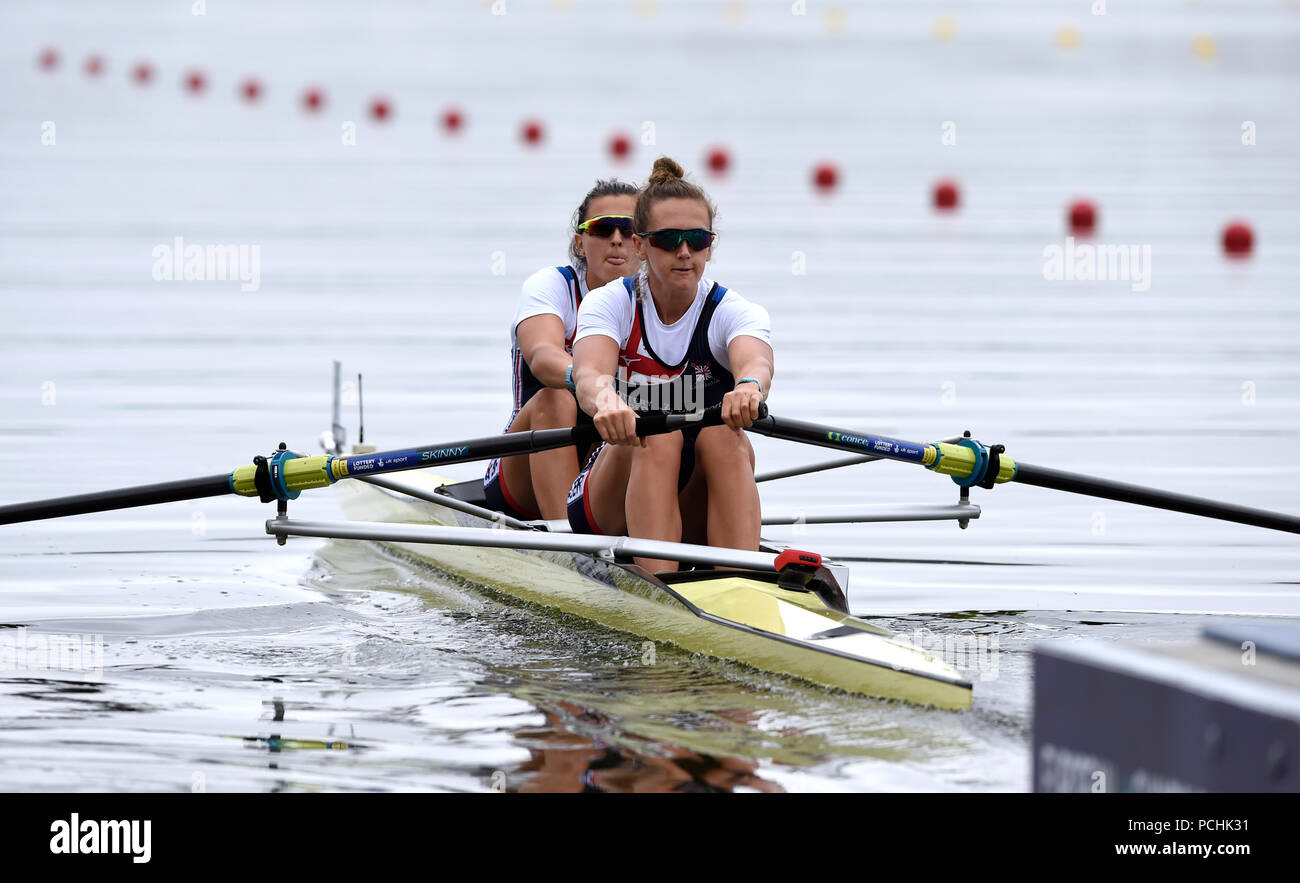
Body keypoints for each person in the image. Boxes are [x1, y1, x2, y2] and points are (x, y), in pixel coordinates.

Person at [568, 157, 772, 572]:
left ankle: (739, 583)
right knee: (659, 434)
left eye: (696, 239)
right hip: (608, 500)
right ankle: (660, 592)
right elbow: (589, 373)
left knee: (725, 437)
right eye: (667, 239)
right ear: (641, 246)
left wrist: (749, 386)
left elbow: (755, 360)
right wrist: (606, 400)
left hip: (689, 494)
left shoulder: (734, 310)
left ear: (709, 246)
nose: (684, 252)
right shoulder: (610, 303)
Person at [483, 180, 640, 520]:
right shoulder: (553, 286)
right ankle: (567, 544)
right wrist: (586, 380)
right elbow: (541, 354)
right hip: (524, 464)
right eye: (601, 229)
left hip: (608, 463)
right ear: (580, 243)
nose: (616, 239)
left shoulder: (659, 304)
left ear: (643, 242)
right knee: (556, 399)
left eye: (628, 230)